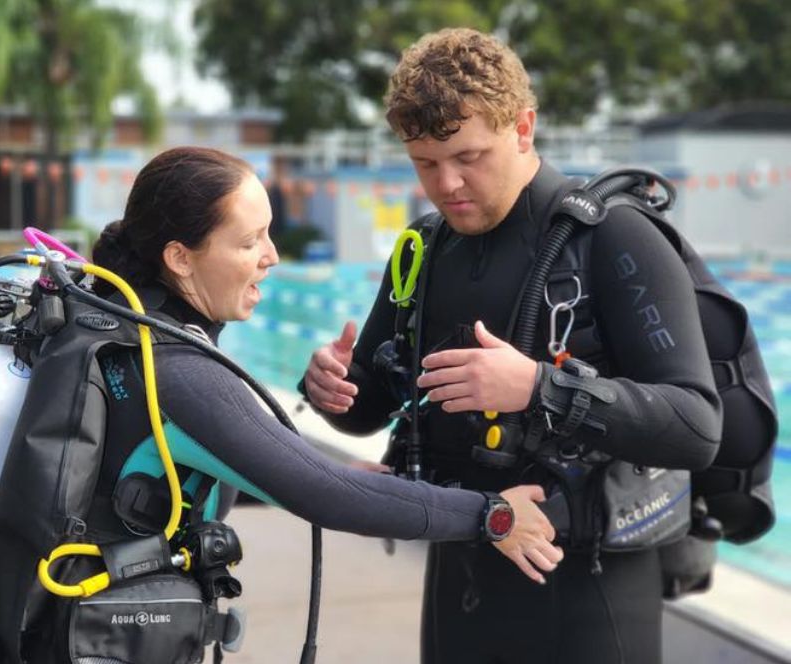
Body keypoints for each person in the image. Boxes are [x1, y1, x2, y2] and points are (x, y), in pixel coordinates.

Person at [301, 28, 722, 664]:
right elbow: (368, 411)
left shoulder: (615, 239)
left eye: (469, 156)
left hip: (589, 591)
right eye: (425, 163)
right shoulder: (424, 248)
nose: (447, 185)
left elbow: (696, 426)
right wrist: (333, 389)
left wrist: (536, 386)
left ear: (523, 127)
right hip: (461, 573)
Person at [85, 146, 561, 576]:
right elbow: (327, 495)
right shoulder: (179, 371)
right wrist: (492, 516)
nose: (271, 256)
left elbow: (248, 463)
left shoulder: (125, 328)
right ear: (180, 258)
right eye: (249, 241)